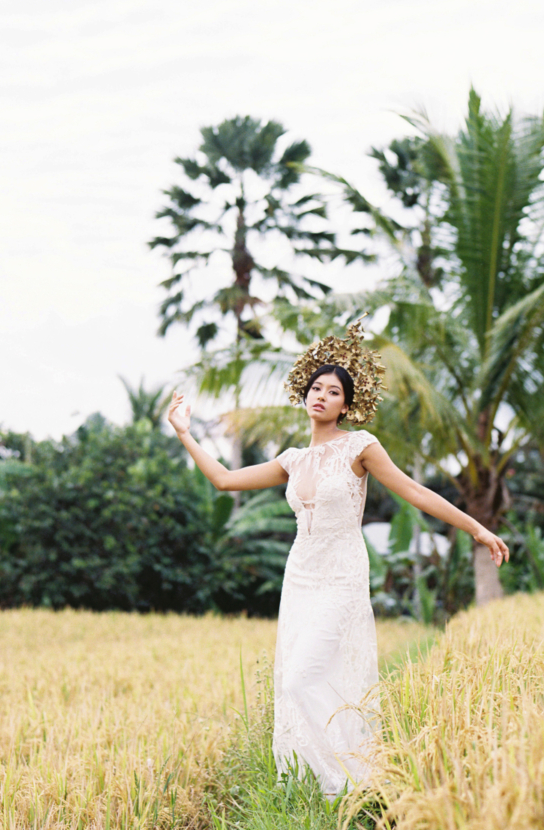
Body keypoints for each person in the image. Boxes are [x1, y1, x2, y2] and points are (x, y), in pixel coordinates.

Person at [166, 318, 509, 798]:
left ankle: (351, 783)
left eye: (333, 391)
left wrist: (476, 527)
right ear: (304, 396)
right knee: (300, 677)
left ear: (347, 404)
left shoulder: (360, 447)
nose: (321, 396)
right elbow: (223, 479)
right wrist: (185, 432)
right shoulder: (291, 459)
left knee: (302, 676)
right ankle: (329, 783)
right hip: (300, 576)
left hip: (342, 575)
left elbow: (413, 491)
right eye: (316, 388)